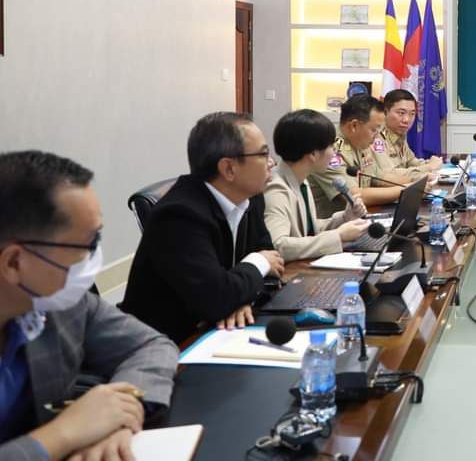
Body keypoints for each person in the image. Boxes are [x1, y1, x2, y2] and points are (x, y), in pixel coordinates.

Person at [0, 151, 178, 461]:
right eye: (89, 243)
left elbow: (151, 346)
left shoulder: (61, 302)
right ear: (15, 262)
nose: (94, 257)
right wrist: (62, 434)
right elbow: (69, 430)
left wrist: (118, 415)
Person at [122, 112, 285, 343]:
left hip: (219, 330)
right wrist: (258, 262)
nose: (271, 163)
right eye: (263, 154)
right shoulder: (179, 216)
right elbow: (217, 297)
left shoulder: (251, 198)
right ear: (229, 169)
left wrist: (242, 299)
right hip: (165, 344)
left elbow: (273, 264)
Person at [263, 110, 373, 262]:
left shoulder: (301, 180)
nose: (334, 153)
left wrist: (344, 218)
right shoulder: (276, 189)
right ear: (313, 154)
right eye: (331, 147)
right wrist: (338, 236)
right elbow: (278, 246)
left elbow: (309, 229)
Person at [310, 96, 425, 216]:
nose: (377, 135)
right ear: (354, 126)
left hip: (361, 217)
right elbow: (353, 195)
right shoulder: (329, 150)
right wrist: (406, 189)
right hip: (334, 223)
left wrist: (416, 181)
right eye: (374, 129)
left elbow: (379, 177)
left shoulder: (360, 143)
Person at [371, 89, 442, 184]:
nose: (406, 120)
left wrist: (429, 163)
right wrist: (429, 167)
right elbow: (389, 174)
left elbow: (410, 161)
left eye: (412, 114)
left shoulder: (399, 133)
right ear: (385, 112)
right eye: (401, 113)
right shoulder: (375, 136)